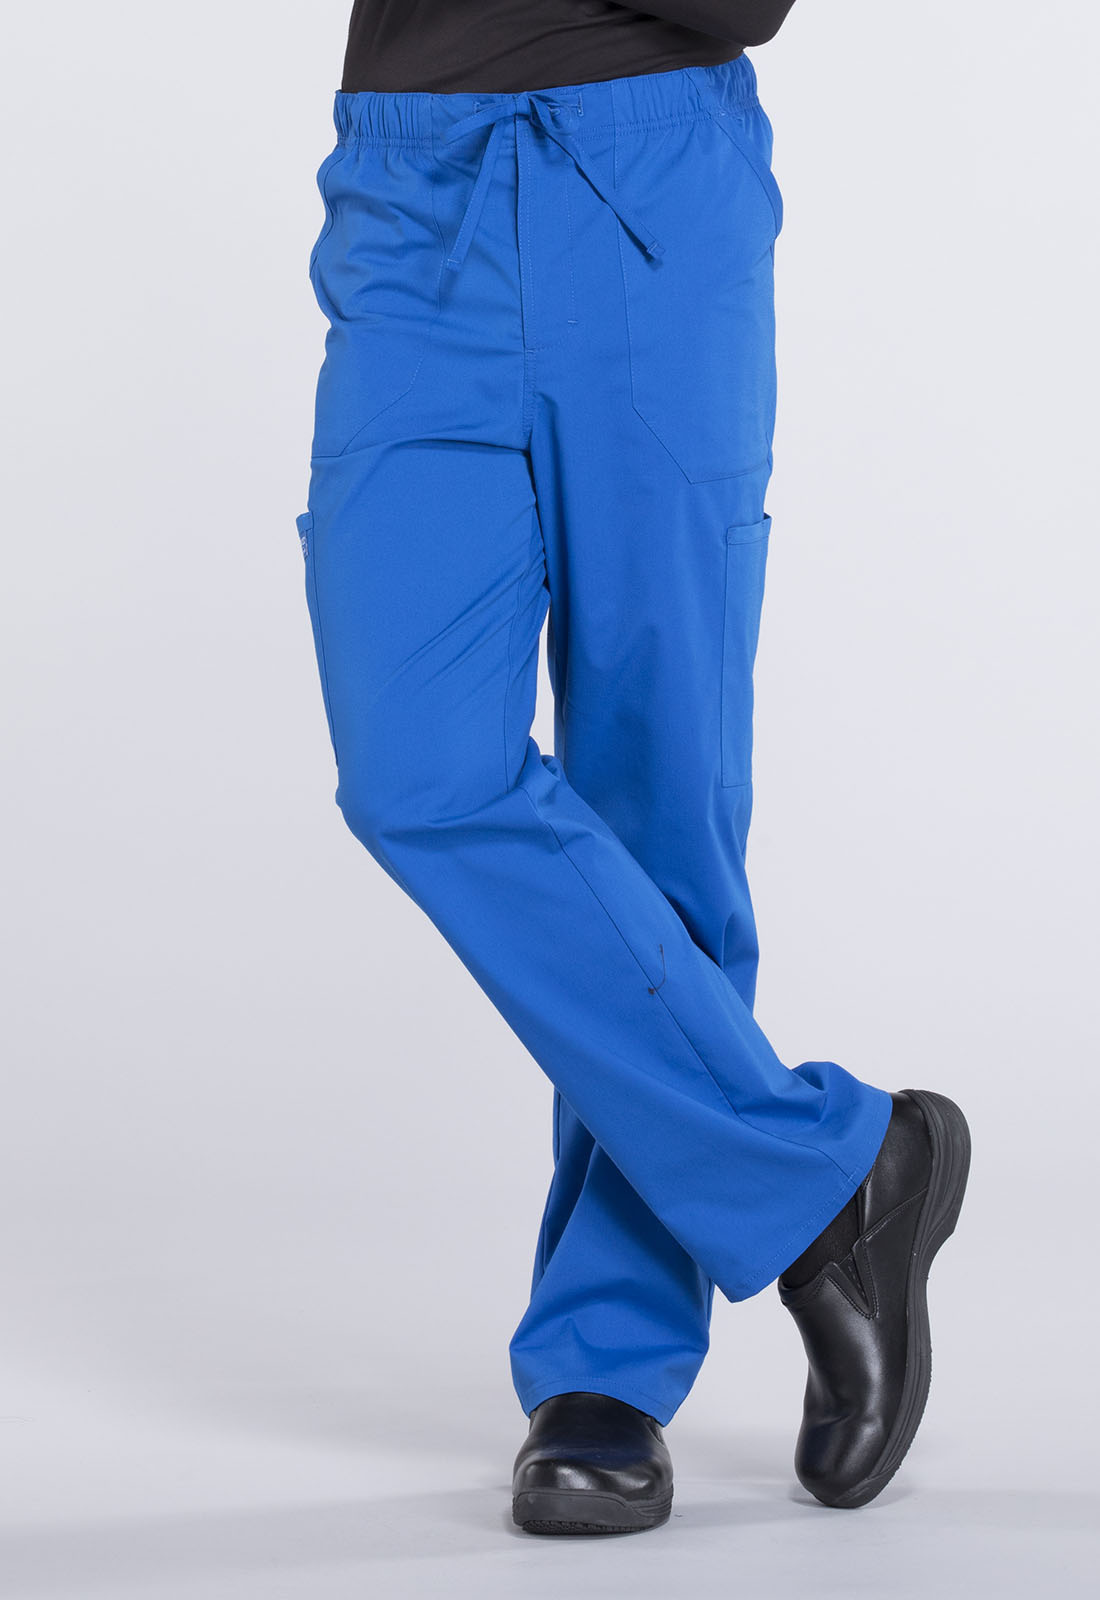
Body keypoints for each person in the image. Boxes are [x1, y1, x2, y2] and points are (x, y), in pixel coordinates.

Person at [293, 1, 972, 1536]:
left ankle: (607, 1361)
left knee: (658, 794)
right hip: (409, 190)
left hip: (644, 179)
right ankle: (833, 1179)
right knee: (416, 766)